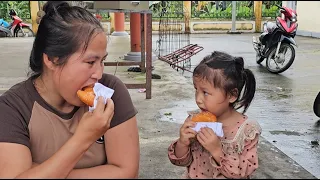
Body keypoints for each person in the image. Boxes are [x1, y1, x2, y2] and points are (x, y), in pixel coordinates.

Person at [0, 1, 139, 178]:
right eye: (90, 62)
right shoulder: (13, 109)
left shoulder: (110, 92)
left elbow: (126, 172)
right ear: (51, 59)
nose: (98, 73)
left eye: (102, 61)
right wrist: (84, 138)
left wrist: (43, 172)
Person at [168, 51, 262, 179]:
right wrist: (182, 143)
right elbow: (181, 161)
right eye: (196, 90)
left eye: (205, 92)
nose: (198, 99)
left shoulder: (246, 131)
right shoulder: (194, 120)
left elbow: (242, 173)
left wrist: (217, 150)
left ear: (231, 95)